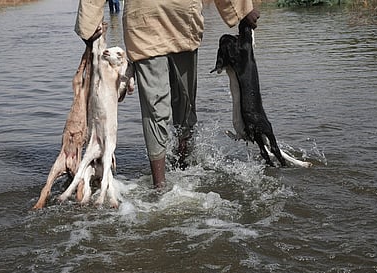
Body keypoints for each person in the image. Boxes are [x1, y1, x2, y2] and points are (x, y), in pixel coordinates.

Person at [75, 0, 260, 189]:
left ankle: (163, 184)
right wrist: (243, 10)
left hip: (152, 21)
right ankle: (170, 178)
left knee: (164, 108)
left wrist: (88, 24)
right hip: (177, 18)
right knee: (182, 107)